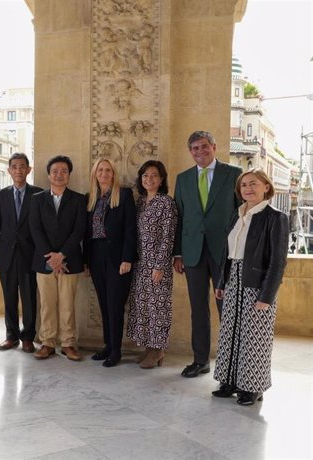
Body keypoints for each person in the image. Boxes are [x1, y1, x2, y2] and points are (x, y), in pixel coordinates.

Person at [212, 169, 288, 406]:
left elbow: (277, 262)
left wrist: (267, 295)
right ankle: (230, 381)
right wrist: (222, 282)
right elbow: (228, 253)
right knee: (231, 333)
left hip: (257, 284)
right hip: (233, 279)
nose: (248, 188)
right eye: (243, 185)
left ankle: (252, 388)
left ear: (266, 187)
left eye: (253, 184)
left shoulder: (275, 217)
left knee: (254, 338)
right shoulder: (237, 215)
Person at [173, 130, 241, 377]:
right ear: (190, 152)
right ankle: (201, 360)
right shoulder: (183, 179)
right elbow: (179, 219)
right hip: (192, 254)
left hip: (225, 253)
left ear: (214, 146)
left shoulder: (234, 174)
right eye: (194, 148)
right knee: (198, 309)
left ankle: (232, 366)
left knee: (228, 309)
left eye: (204, 146)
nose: (199, 152)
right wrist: (178, 253)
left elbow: (240, 214)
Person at [30, 155, 86, 361]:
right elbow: (35, 229)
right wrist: (51, 258)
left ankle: (69, 344)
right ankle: (47, 343)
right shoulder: (37, 199)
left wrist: (61, 255)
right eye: (55, 171)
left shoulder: (79, 199)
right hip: (43, 261)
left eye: (64, 171)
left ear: (69, 175)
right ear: (48, 174)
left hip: (70, 261)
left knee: (67, 304)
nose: (59, 174)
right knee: (46, 304)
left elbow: (79, 231)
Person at [85, 158, 137, 367]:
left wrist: (127, 258)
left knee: (115, 304)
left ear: (113, 174)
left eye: (108, 170)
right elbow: (87, 232)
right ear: (95, 174)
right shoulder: (91, 198)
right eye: (100, 170)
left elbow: (130, 230)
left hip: (118, 258)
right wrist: (87, 261)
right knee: (104, 303)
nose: (104, 173)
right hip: (97, 256)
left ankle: (116, 350)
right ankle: (107, 345)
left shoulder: (123, 195)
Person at [126, 160, 178, 369]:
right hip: (140, 265)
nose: (149, 179)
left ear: (162, 179)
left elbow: (168, 237)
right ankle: (148, 347)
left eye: (154, 175)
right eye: (145, 175)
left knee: (158, 308)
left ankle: (158, 350)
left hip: (157, 265)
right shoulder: (139, 203)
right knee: (143, 308)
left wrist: (160, 266)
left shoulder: (166, 203)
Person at [0, 153, 43, 353]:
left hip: (29, 255)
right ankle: (11, 335)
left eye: (22, 166)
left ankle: (28, 337)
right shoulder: (0, 195)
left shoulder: (38, 194)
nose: (18, 170)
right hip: (6, 255)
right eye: (14, 167)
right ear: (9, 170)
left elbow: (40, 226)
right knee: (9, 298)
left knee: (29, 298)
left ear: (28, 169)